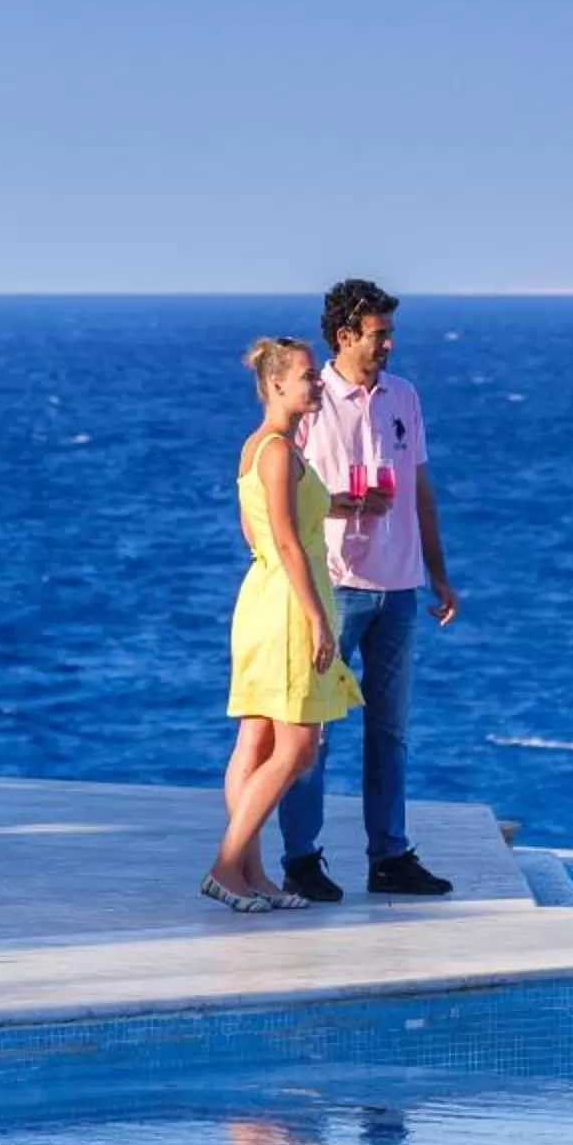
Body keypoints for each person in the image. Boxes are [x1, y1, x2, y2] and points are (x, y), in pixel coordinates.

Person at [280, 278, 460, 900]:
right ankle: (301, 859)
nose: (388, 345)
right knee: (315, 729)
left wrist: (438, 572)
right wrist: (347, 503)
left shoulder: (403, 397)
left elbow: (420, 489)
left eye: (390, 334)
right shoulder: (311, 401)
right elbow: (285, 501)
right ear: (345, 335)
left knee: (391, 731)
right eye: (378, 334)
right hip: (335, 588)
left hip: (401, 588)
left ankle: (389, 856)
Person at [208, 336, 362, 912]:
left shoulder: (260, 448)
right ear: (275, 384)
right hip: (289, 606)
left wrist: (338, 506)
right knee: (297, 749)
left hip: (265, 595)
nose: (316, 382)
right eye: (305, 376)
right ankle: (227, 865)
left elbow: (258, 537)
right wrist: (319, 621)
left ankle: (250, 873)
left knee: (258, 739)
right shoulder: (275, 450)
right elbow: (288, 542)